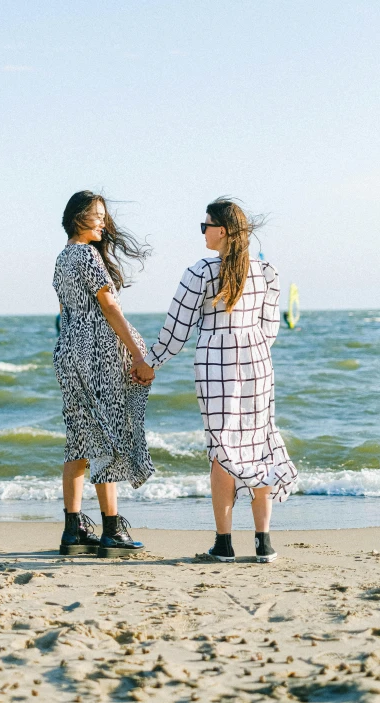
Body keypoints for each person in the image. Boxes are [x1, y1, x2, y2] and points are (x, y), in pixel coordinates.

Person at [133, 198, 297, 563]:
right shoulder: (267, 272)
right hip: (258, 361)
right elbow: (269, 330)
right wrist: (250, 349)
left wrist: (149, 363)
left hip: (215, 361)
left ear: (221, 230)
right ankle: (263, 543)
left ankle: (224, 544)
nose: (202, 231)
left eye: (205, 225)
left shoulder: (202, 272)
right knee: (259, 441)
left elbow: (176, 331)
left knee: (222, 448)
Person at [53, 190, 155, 558]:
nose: (103, 221)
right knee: (107, 435)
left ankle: (73, 530)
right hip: (97, 353)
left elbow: (65, 313)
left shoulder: (62, 259)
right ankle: (111, 528)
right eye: (96, 215)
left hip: (68, 353)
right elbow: (109, 306)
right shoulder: (87, 254)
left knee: (79, 439)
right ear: (78, 217)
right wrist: (139, 351)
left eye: (104, 215)